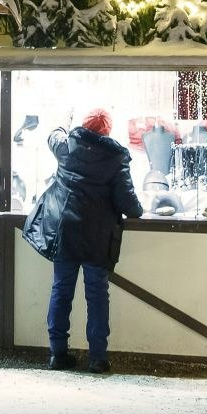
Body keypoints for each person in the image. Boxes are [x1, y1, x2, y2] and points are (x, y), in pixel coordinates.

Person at [34, 108, 143, 372]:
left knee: (61, 289)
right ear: (107, 131)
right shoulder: (116, 157)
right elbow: (129, 204)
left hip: (66, 232)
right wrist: (140, 210)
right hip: (97, 236)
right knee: (96, 294)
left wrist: (63, 121)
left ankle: (57, 354)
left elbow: (53, 135)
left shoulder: (67, 147)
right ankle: (97, 358)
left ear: (83, 126)